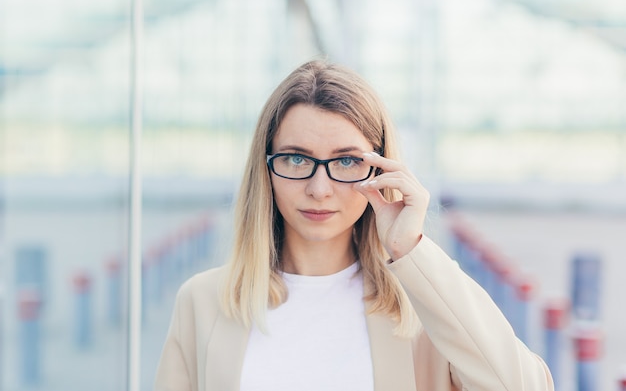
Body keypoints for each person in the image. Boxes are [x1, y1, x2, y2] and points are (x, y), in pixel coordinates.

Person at [154, 59, 554, 391]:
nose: (319, 188)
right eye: (296, 158)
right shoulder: (203, 302)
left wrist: (412, 250)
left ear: (380, 170)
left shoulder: (420, 311)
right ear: (267, 170)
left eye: (346, 161)